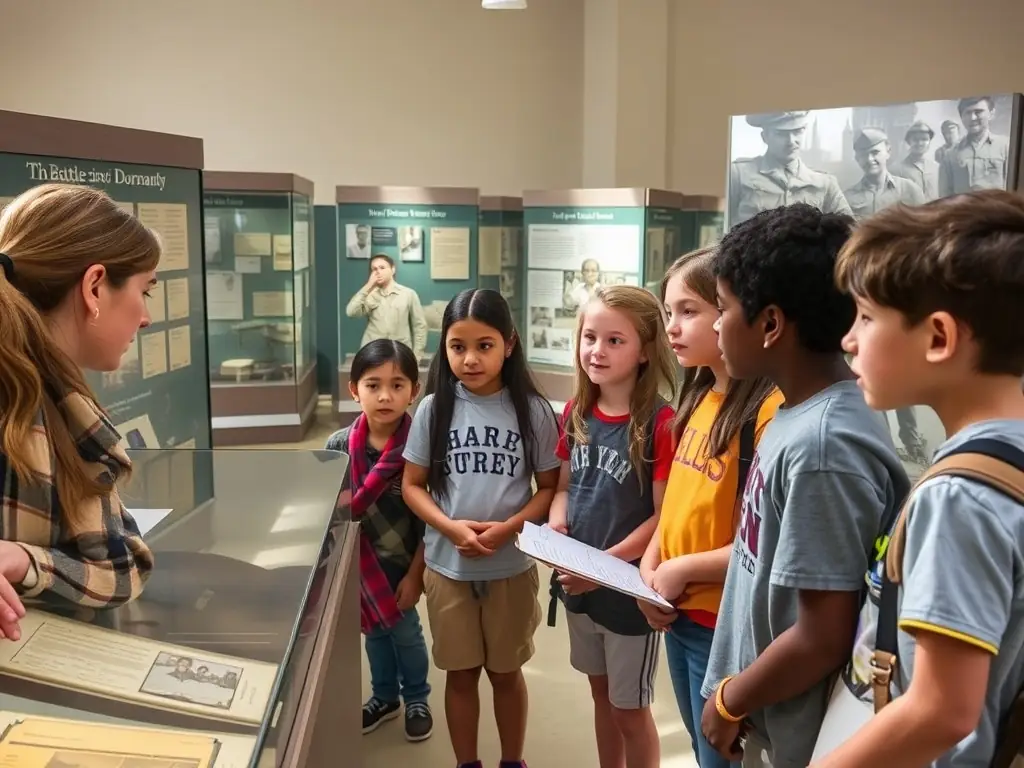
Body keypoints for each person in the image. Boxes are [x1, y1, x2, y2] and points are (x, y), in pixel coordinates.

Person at [814, 190, 1024, 767]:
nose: (849, 339)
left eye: (866, 317)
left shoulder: (960, 496)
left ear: (938, 337)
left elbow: (941, 710)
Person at [697, 203, 909, 768]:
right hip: (766, 716)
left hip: (794, 735)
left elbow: (822, 634)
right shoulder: (797, 413)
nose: (717, 324)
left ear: (770, 324)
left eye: (723, 308)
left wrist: (729, 699)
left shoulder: (822, 446)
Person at [401, 288, 560, 768]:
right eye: (457, 346)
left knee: (507, 673)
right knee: (461, 674)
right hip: (448, 570)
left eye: (484, 345)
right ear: (444, 347)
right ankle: (466, 762)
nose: (470, 359)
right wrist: (451, 529)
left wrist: (508, 528)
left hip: (509, 567)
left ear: (508, 344)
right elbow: (413, 486)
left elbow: (549, 487)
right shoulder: (433, 408)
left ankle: (513, 760)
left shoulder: (532, 410)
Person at [638, 247, 782, 768]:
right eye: (668, 312)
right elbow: (675, 504)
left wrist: (679, 570)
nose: (672, 327)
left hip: (721, 622)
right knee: (704, 754)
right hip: (675, 611)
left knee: (720, 754)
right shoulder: (695, 397)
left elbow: (763, 542)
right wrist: (651, 566)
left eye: (689, 311)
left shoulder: (767, 412)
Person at [0, 183, 157, 638]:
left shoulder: (47, 395)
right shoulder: (29, 416)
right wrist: (33, 563)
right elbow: (119, 569)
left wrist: (26, 560)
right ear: (94, 287)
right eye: (145, 290)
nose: (145, 316)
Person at [548, 285, 678, 768]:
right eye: (589, 337)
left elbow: (663, 515)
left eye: (614, 340)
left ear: (645, 350)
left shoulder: (661, 422)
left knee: (630, 711)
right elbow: (564, 487)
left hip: (626, 593)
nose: (596, 351)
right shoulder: (575, 411)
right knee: (601, 699)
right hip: (579, 585)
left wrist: (601, 566)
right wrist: (557, 526)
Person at [325, 339, 433, 743]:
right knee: (374, 633)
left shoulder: (419, 449)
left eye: (397, 384)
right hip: (358, 564)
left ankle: (417, 697)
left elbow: (429, 521)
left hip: (402, 564)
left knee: (406, 633)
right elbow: (330, 516)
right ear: (354, 390)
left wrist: (417, 574)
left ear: (414, 390)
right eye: (373, 385)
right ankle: (384, 696)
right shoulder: (338, 447)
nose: (385, 396)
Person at [728, 111, 852, 228]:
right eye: (781, 134)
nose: (791, 141)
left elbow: (850, 231)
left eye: (797, 131)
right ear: (765, 137)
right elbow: (719, 227)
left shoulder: (825, 183)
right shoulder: (738, 174)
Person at [346, 254, 428, 361]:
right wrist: (368, 286)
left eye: (382, 268)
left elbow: (420, 326)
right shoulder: (369, 295)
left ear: (393, 270)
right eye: (374, 269)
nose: (377, 272)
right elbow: (351, 312)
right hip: (372, 353)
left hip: (400, 353)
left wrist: (417, 356)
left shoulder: (408, 294)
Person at [843, 128, 926, 220]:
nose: (869, 159)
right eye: (863, 155)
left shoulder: (910, 190)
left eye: (875, 152)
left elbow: (923, 229)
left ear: (888, 152)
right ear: (857, 159)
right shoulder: (847, 198)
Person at [939, 96, 1010, 196]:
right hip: (963, 211)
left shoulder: (1007, 148)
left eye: (978, 112)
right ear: (961, 117)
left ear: (991, 113)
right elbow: (944, 196)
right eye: (967, 113)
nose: (972, 118)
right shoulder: (950, 155)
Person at [891, 120, 940, 200]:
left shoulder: (937, 168)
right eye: (915, 139)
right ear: (909, 141)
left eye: (924, 139)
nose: (920, 143)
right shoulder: (896, 170)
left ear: (929, 142)